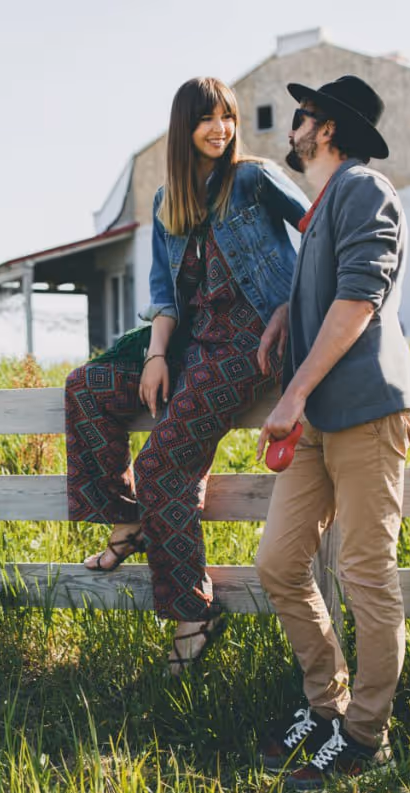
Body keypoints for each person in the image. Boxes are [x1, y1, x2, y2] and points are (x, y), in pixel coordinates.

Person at [64, 77, 308, 674]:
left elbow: (319, 232)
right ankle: (128, 518)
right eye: (207, 119)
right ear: (184, 127)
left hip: (251, 342)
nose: (220, 129)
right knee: (87, 387)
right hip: (192, 344)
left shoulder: (253, 178)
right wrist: (153, 357)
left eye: (227, 117)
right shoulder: (166, 201)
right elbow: (163, 295)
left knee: (161, 463)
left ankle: (192, 612)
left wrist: (292, 305)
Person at [252, 75, 410, 789]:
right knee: (279, 563)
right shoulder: (323, 206)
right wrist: (287, 314)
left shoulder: (364, 188)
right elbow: (329, 292)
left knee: (364, 573)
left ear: (324, 128)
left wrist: (292, 392)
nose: (291, 126)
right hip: (323, 417)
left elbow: (361, 296)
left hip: (364, 407)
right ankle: (328, 704)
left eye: (301, 116)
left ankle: (366, 736)